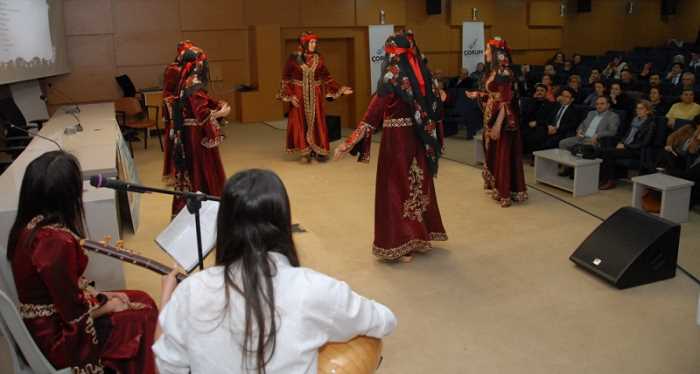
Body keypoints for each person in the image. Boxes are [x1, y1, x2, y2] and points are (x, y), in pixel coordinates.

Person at [153, 169, 397, 374]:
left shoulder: (191, 291)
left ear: (224, 223)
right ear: (282, 221)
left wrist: (167, 299)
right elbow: (384, 321)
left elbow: (167, 366)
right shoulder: (315, 289)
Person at [7, 151, 158, 374]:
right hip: (58, 340)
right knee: (142, 315)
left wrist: (106, 299)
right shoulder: (54, 242)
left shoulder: (30, 226)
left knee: (140, 298)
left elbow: (68, 292)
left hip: (43, 327)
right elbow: (74, 314)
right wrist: (108, 305)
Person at [335, 30, 448, 260]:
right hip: (417, 139)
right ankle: (417, 236)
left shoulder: (392, 76)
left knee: (395, 190)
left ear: (393, 54)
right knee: (417, 184)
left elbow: (373, 113)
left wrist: (350, 141)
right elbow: (438, 102)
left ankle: (401, 242)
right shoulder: (422, 74)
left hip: (396, 141)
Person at [168, 44, 229, 215]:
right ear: (198, 63)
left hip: (187, 134)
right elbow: (201, 114)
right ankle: (208, 212)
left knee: (192, 170)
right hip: (196, 136)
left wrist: (215, 104)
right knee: (203, 171)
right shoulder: (194, 83)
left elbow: (200, 102)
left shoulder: (184, 80)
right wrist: (221, 112)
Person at [278, 32, 353, 163]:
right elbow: (285, 79)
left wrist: (340, 89)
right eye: (311, 42)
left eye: (315, 42)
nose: (314, 45)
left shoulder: (318, 58)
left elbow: (327, 78)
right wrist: (290, 96)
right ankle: (304, 152)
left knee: (317, 121)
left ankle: (319, 150)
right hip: (299, 96)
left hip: (315, 96)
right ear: (304, 43)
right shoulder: (293, 58)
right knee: (300, 122)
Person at [475, 37, 528, 207]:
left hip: (502, 118)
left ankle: (505, 191)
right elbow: (494, 94)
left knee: (503, 152)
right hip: (492, 113)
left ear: (496, 53)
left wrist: (497, 124)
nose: (485, 53)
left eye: (487, 50)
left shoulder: (504, 72)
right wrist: (479, 95)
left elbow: (505, 101)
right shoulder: (496, 70)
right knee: (494, 150)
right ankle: (498, 186)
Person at [599, 101, 656, 190]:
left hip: (637, 150)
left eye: (641, 109)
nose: (638, 110)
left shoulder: (650, 124)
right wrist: (621, 142)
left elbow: (644, 143)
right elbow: (627, 135)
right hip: (627, 146)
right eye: (637, 108)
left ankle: (610, 180)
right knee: (605, 150)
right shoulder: (635, 120)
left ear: (648, 111)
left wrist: (626, 146)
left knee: (608, 152)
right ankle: (605, 178)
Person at [162, 40, 193, 184]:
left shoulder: (192, 69)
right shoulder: (173, 69)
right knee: (176, 142)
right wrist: (171, 115)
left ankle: (189, 173)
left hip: (188, 110)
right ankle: (175, 174)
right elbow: (167, 93)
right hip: (175, 110)